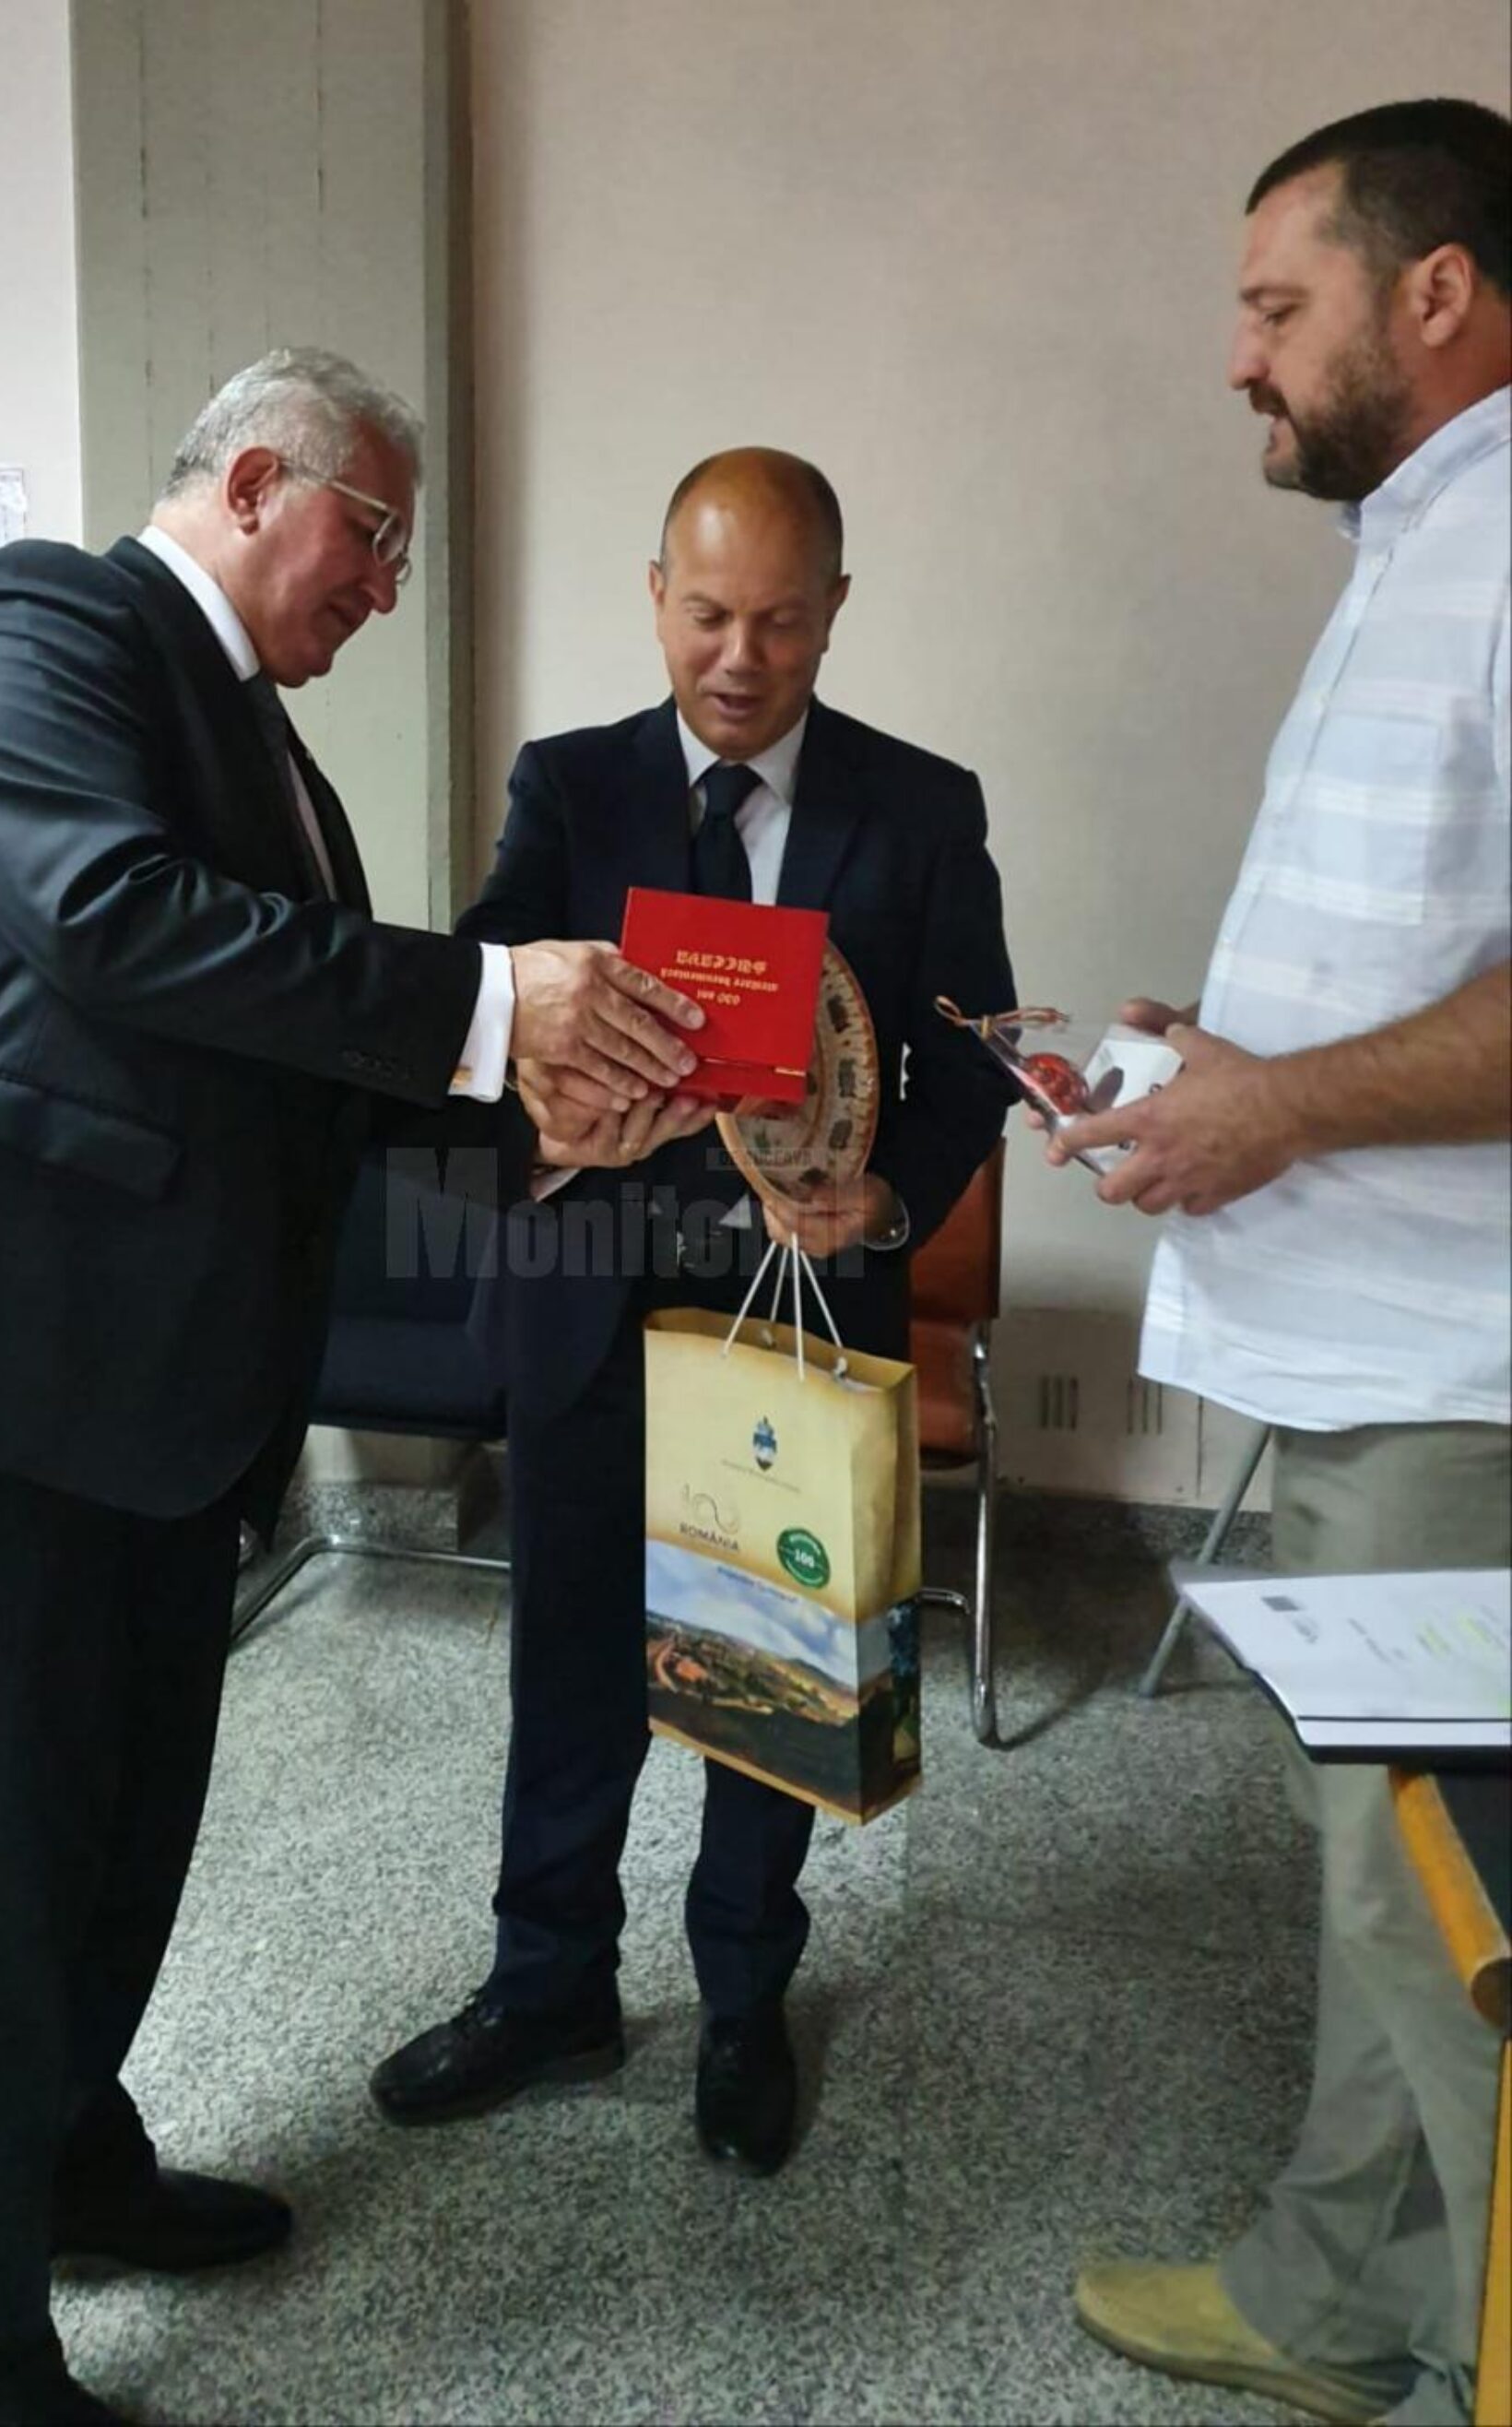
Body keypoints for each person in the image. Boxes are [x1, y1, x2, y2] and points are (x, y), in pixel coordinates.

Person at [0, 347, 704, 2427]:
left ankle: (65, 2166)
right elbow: (111, 919)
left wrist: (546, 1121)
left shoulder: (282, 763)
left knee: (115, 1835)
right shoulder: (42, 621)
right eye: (374, 537)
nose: (383, 587)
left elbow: (305, 1066)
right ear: (261, 479)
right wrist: (496, 1000)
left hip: (159, 1406)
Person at [370, 447, 1015, 2175]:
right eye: (709, 614)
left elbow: (968, 1057)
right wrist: (549, 1100)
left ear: (836, 613)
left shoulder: (920, 805)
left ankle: (744, 1997)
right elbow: (488, 1004)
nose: (741, 657)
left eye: (782, 623)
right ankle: (548, 1987)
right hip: (590, 1295)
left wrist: (888, 1197)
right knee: (571, 1667)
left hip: (799, 1307)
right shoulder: (570, 786)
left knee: (768, 1675)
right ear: (657, 598)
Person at [1061, 103, 1511, 2427]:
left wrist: (1281, 1106)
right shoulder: (1418, 538)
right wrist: (1221, 1060)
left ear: (1433, 292)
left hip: (1464, 1376)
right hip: (1377, 1349)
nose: (1240, 356)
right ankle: (1344, 2291)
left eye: (1274, 305)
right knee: (1378, 1883)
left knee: (1452, 1923)